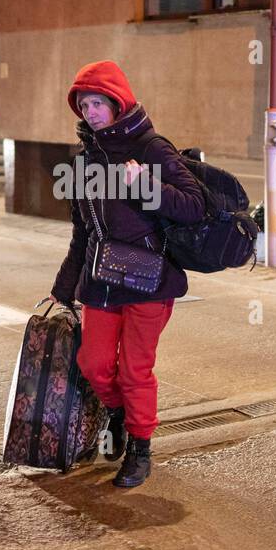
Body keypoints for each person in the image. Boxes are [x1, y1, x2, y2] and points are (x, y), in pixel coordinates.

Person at [48, 60, 205, 488]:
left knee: (135, 370)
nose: (92, 111)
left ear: (118, 103)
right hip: (101, 280)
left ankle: (139, 448)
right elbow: (83, 231)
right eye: (84, 104)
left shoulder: (152, 148)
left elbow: (194, 205)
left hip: (149, 280)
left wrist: (147, 187)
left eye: (99, 102)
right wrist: (63, 288)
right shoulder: (83, 162)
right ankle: (118, 414)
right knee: (94, 364)